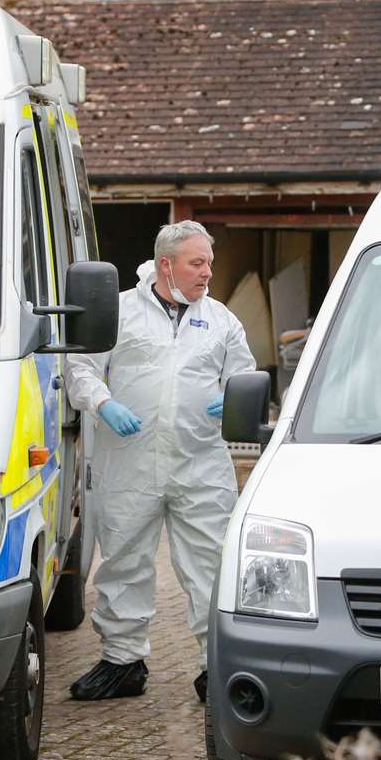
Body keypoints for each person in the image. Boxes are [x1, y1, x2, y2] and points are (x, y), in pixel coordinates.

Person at [65, 221, 256, 702]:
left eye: (209, 262)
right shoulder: (120, 312)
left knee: (211, 565)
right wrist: (103, 403)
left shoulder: (221, 320)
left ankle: (217, 667)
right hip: (129, 461)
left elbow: (246, 375)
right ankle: (122, 662)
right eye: (198, 262)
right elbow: (80, 365)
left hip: (200, 463)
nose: (208, 272)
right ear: (166, 265)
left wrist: (231, 397)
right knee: (124, 559)